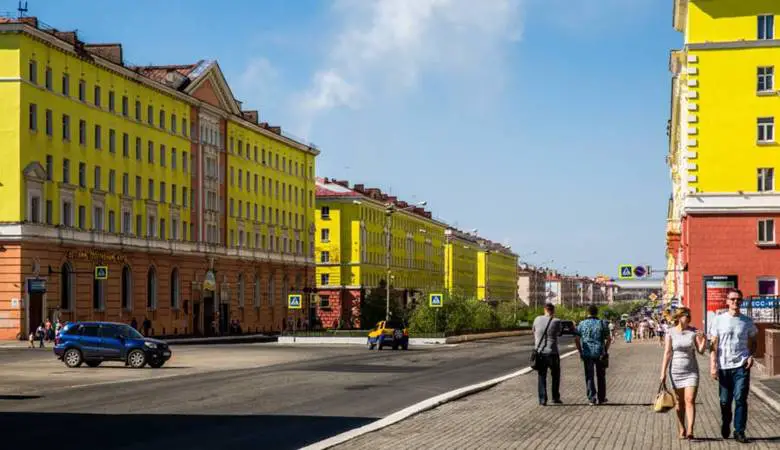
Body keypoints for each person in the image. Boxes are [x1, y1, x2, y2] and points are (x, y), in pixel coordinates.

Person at [709, 288, 758, 444]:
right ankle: (725, 422)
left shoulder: (747, 321)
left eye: (738, 300)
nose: (735, 302)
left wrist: (751, 356)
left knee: (740, 398)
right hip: (723, 366)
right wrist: (713, 365)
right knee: (724, 401)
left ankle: (739, 431)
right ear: (727, 301)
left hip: (741, 365)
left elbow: (754, 341)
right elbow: (713, 344)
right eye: (732, 299)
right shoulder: (718, 319)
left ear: (741, 302)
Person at [660, 307, 706, 440]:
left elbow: (701, 351)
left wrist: (703, 339)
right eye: (687, 315)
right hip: (675, 371)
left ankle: (691, 429)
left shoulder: (693, 332)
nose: (689, 318)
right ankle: (682, 427)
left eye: (689, 316)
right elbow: (667, 353)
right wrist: (662, 373)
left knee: (690, 400)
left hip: (691, 370)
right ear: (679, 317)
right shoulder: (670, 332)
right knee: (679, 402)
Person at [575, 304, 611, 405]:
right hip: (600, 353)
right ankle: (602, 398)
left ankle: (592, 398)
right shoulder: (602, 323)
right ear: (597, 312)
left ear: (588, 312)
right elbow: (609, 339)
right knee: (601, 376)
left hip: (587, 353)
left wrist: (580, 351)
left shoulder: (581, 324)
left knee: (589, 376)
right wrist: (605, 350)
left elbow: (576, 339)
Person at [533, 303, 562, 406]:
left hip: (540, 353)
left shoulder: (537, 319)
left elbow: (534, 331)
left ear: (544, 309)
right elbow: (559, 333)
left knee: (542, 376)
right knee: (555, 376)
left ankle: (542, 400)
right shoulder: (556, 321)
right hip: (552, 352)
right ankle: (555, 397)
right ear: (553, 311)